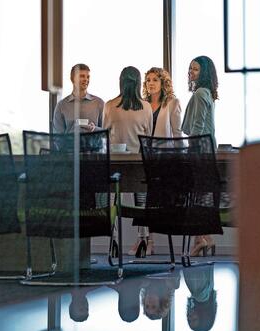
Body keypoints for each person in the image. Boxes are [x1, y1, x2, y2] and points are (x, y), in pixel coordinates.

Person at [127, 67, 183, 256]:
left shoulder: (172, 104)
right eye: (148, 80)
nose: (150, 83)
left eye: (155, 80)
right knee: (141, 200)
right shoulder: (141, 105)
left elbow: (177, 134)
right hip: (142, 158)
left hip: (164, 160)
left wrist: (180, 159)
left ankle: (151, 240)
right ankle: (143, 239)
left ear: (163, 83)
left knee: (156, 202)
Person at [102, 66, 152, 257]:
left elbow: (105, 134)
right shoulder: (146, 107)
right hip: (138, 163)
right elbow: (148, 137)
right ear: (139, 83)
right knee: (141, 200)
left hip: (115, 163)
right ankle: (143, 239)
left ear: (121, 82)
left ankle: (113, 240)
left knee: (114, 199)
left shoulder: (109, 105)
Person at [182, 55, 219, 256]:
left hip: (198, 152)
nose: (190, 72)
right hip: (207, 151)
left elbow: (197, 127)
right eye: (190, 69)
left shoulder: (199, 94)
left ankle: (202, 239)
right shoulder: (208, 94)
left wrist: (190, 150)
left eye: (195, 69)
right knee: (201, 196)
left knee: (196, 197)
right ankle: (203, 238)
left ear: (204, 72)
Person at [53, 63, 104, 134]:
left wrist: (94, 129)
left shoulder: (99, 103)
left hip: (94, 145)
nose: (86, 79)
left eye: (88, 77)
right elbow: (57, 137)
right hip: (70, 145)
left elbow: (107, 133)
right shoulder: (61, 106)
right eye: (82, 76)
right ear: (72, 79)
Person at [183, 264, 218, 331]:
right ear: (204, 316)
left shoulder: (206, 294)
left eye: (189, 320)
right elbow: (193, 262)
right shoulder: (200, 296)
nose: (189, 317)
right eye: (194, 319)